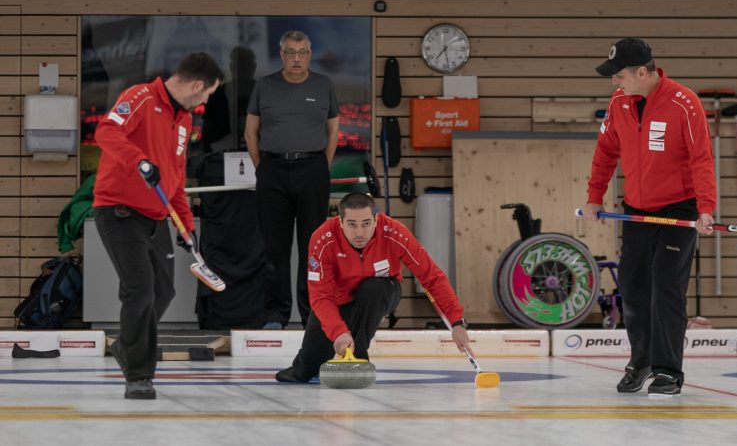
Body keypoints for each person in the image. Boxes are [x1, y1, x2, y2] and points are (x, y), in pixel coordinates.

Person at [581, 38, 716, 397]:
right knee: (634, 287)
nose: (614, 82)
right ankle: (640, 362)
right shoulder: (619, 102)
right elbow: (606, 152)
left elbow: (702, 158)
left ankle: (668, 370)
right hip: (637, 211)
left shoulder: (684, 103)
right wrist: (594, 196)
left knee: (666, 289)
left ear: (643, 72)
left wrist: (706, 208)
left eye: (620, 75)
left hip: (679, 208)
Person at [93, 53, 224, 399]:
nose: (206, 100)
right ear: (197, 85)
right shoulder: (140, 97)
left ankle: (126, 346)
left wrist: (185, 226)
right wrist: (140, 161)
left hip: (155, 218)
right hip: (118, 213)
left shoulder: (184, 120)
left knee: (163, 292)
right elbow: (106, 131)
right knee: (140, 290)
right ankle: (139, 374)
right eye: (208, 93)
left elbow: (175, 180)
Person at [275, 192, 473, 383]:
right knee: (305, 371)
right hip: (337, 300)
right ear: (340, 221)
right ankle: (308, 364)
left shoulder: (394, 232)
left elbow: (431, 276)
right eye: (352, 225)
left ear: (376, 220)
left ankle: (359, 359)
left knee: (373, 288)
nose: (360, 233)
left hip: (381, 292)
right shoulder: (322, 240)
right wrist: (338, 332)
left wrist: (457, 322)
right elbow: (320, 296)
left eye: (366, 224)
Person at [245, 30, 340, 329]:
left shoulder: (324, 85)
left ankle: (312, 313)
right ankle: (276, 313)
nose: (297, 58)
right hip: (273, 170)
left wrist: (320, 165)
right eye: (290, 52)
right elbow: (251, 132)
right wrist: (263, 168)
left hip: (312, 169)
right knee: (275, 247)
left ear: (310, 54)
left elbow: (333, 131)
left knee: (312, 246)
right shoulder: (265, 86)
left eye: (302, 53)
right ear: (282, 55)